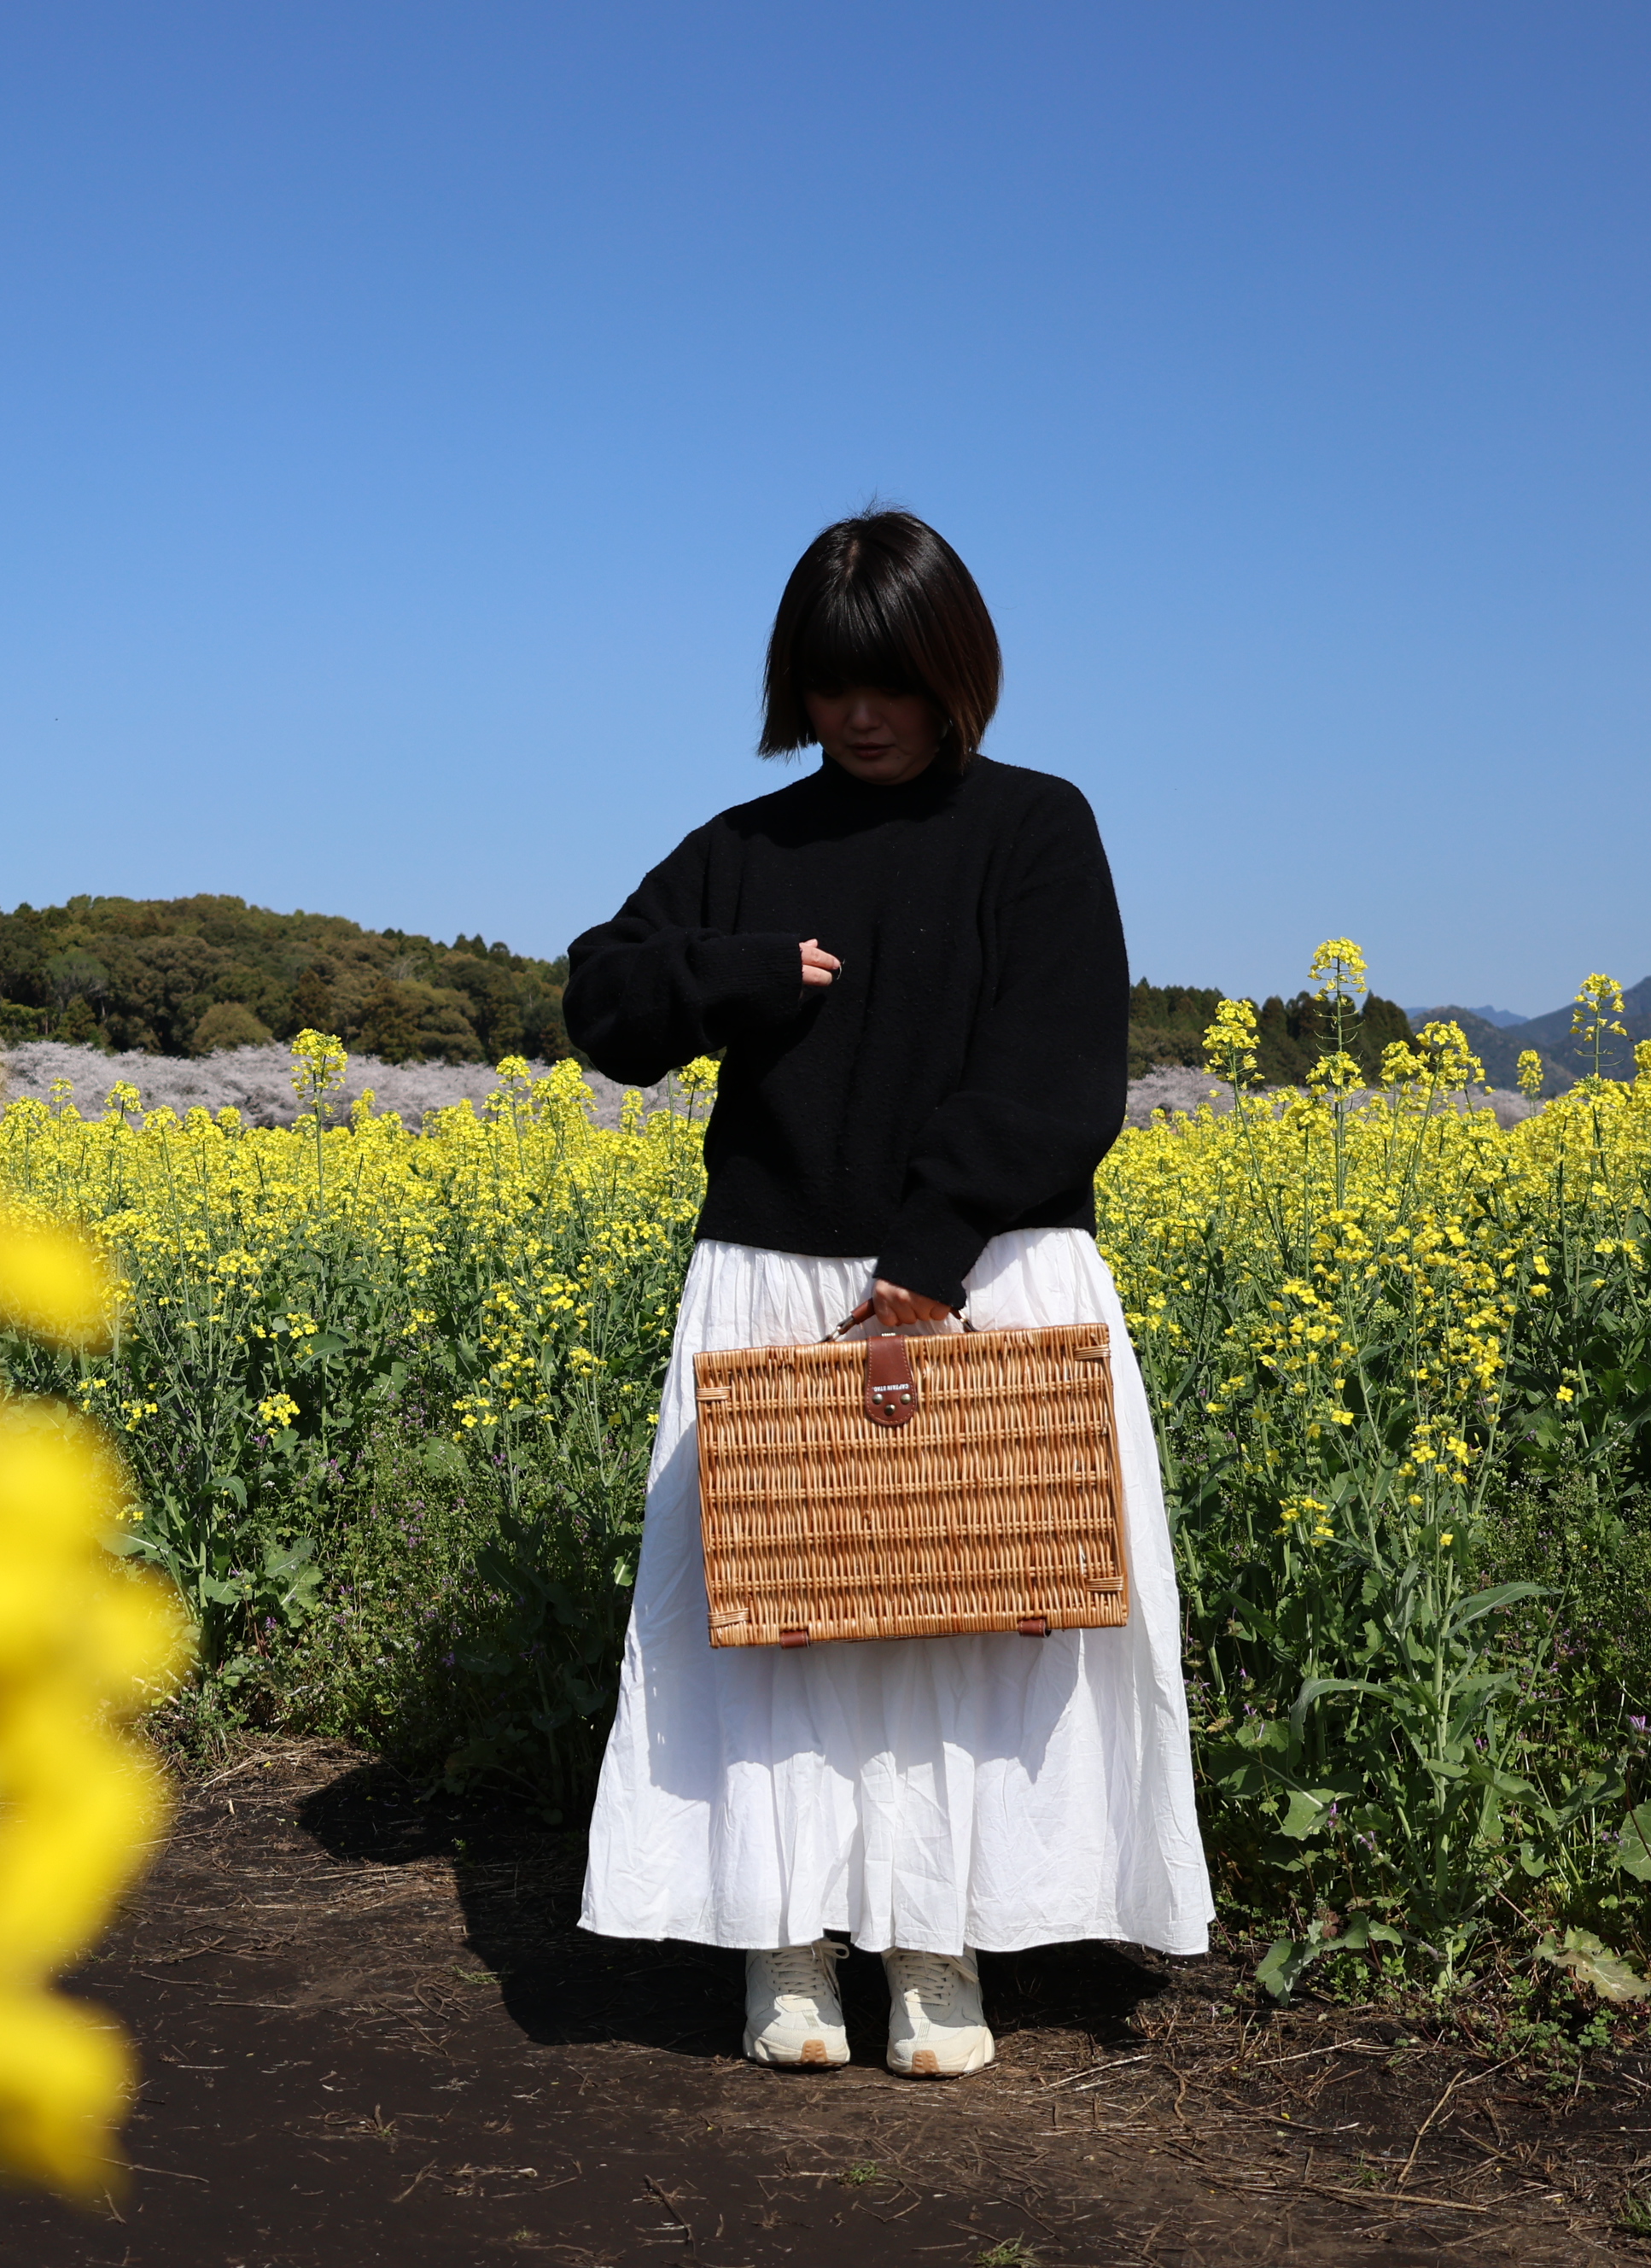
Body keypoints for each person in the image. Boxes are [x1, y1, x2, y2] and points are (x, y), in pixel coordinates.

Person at [561, 509, 1211, 2078]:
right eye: (833, 681)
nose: (863, 714)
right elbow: (602, 998)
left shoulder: (1039, 830)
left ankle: (940, 1945)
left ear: (953, 672)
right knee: (772, 1631)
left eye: (894, 681)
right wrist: (739, 976)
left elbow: (1063, 1078)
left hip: (982, 1281)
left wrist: (927, 1261)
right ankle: (783, 1950)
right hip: (775, 1286)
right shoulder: (748, 850)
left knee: (976, 1625)